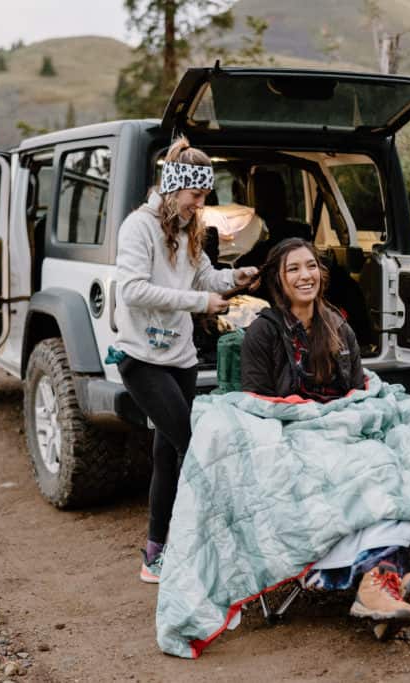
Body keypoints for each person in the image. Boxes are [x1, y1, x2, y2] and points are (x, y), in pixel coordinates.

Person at [239, 237, 410, 635]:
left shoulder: (338, 326)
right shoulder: (263, 333)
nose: (304, 275)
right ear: (278, 278)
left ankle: (380, 580)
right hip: (293, 434)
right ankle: (383, 576)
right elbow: (255, 403)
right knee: (376, 468)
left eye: (310, 266)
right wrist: (304, 412)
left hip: (342, 429)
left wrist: (354, 415)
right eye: (293, 269)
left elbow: (358, 392)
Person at [113, 136, 258, 584]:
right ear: (174, 187)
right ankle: (213, 545)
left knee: (167, 456)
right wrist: (200, 302)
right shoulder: (138, 228)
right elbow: (132, 290)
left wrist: (235, 277)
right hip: (141, 358)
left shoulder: (189, 230)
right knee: (192, 446)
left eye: (204, 196)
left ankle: (154, 554)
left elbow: (205, 277)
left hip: (181, 359)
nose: (201, 204)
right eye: (196, 195)